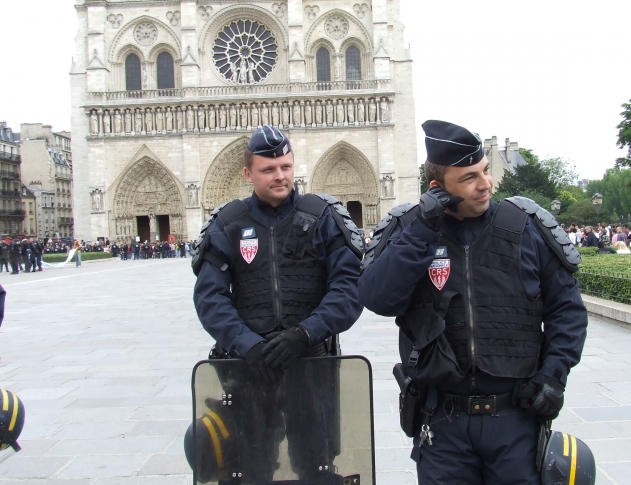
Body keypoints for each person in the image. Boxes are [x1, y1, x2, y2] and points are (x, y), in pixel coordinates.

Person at [358, 120, 588, 485]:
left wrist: (554, 375)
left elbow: (567, 309)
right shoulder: (411, 231)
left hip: (516, 419)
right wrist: (422, 229)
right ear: (439, 188)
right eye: (468, 178)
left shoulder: (524, 227)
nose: (485, 184)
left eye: (484, 171)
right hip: (443, 423)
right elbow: (379, 298)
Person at [188, 125, 364, 482]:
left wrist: (305, 333)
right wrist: (247, 345)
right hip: (249, 372)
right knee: (250, 467)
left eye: (285, 166)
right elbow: (210, 298)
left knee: (317, 466)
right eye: (268, 169)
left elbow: (349, 288)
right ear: (248, 173)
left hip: (311, 364)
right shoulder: (228, 224)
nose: (280, 176)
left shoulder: (323, 217)